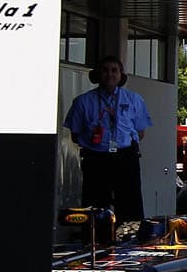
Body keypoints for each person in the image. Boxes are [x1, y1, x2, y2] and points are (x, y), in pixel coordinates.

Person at [65, 55, 153, 221]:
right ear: (97, 74)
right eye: (104, 70)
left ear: (121, 75)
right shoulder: (82, 102)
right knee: (95, 205)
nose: (110, 74)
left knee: (130, 204)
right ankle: (95, 241)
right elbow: (75, 135)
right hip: (96, 158)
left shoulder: (134, 99)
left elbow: (140, 132)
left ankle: (129, 241)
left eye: (114, 70)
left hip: (125, 157)